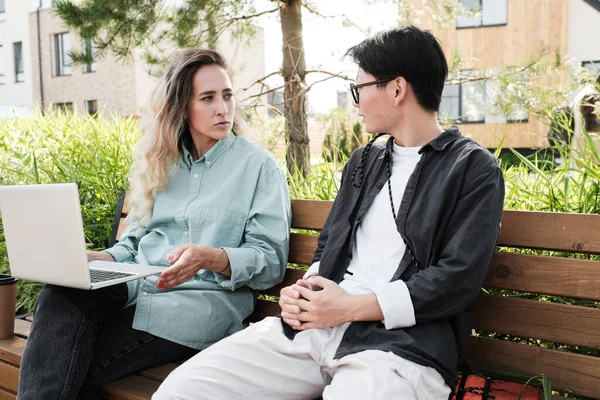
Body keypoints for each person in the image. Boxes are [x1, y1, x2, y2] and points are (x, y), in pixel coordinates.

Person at [153, 26, 505, 400]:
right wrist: (304, 292)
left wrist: (351, 307)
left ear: (397, 89)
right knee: (181, 392)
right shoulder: (365, 160)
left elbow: (457, 279)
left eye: (360, 89)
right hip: (313, 332)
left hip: (398, 349)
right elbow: (329, 248)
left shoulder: (472, 169)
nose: (355, 102)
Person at [17, 49, 291, 400]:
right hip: (136, 288)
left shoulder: (258, 167)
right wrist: (105, 259)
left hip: (195, 307)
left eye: (227, 95)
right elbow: (132, 242)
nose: (222, 108)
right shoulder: (161, 162)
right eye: (207, 98)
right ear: (181, 107)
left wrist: (210, 257)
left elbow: (269, 262)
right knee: (59, 295)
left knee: (64, 368)